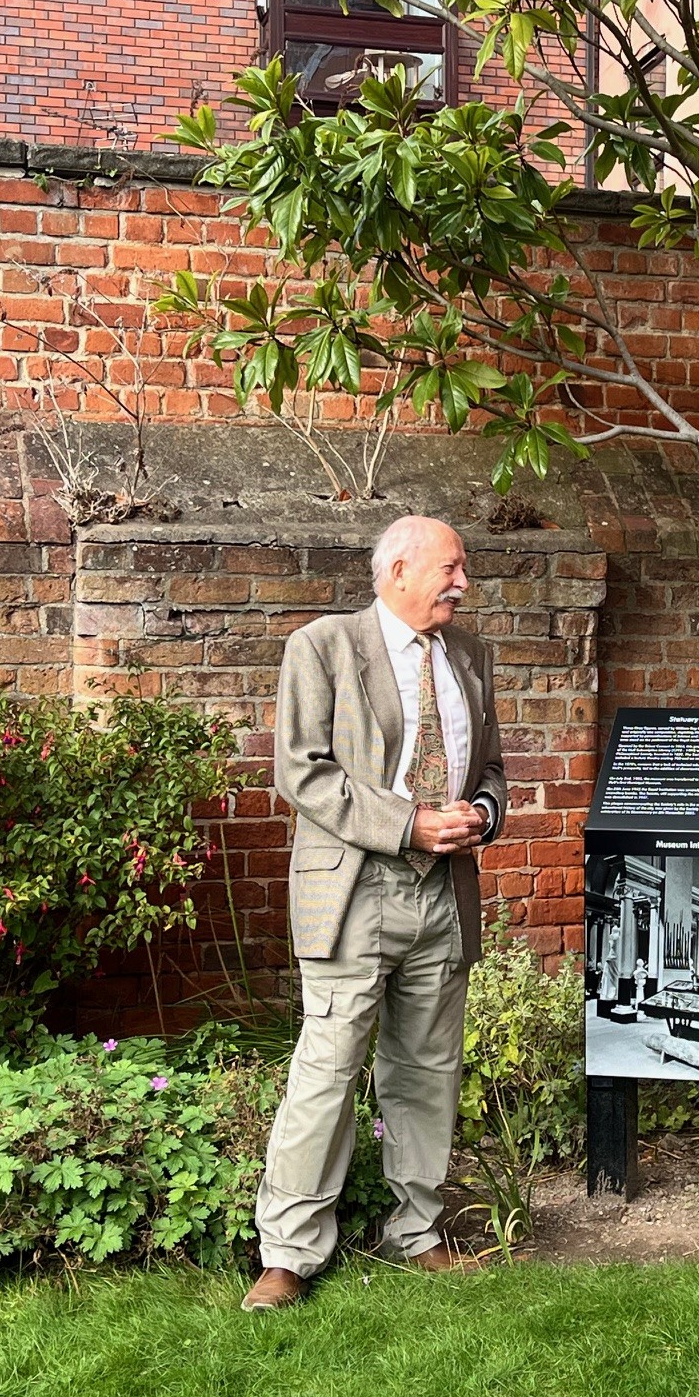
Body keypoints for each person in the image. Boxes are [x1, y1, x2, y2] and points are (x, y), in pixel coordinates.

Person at [240, 515, 508, 1312]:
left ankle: (416, 1232)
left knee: (427, 1070)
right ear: (396, 571)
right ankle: (288, 1253)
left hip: (444, 891)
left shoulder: (470, 655)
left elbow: (490, 763)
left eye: (463, 570)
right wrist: (409, 823)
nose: (462, 583)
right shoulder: (323, 647)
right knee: (327, 1068)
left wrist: (482, 816)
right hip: (354, 889)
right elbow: (304, 775)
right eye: (450, 569)